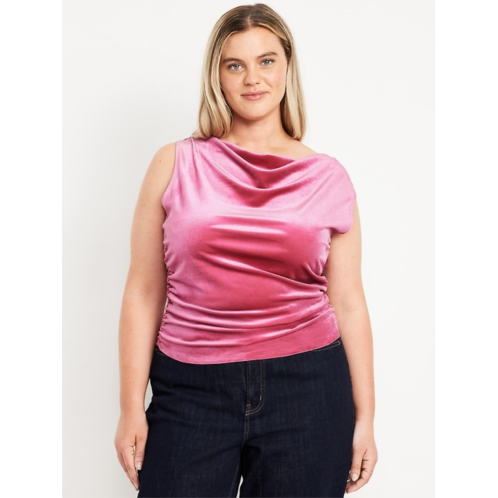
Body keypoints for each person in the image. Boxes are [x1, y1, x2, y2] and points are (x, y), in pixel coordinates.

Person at [114, 3, 378, 497]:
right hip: (189, 388)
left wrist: (366, 417)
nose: (252, 78)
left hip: (308, 387)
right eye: (234, 64)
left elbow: (348, 301)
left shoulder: (328, 177)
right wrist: (131, 407)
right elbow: (145, 291)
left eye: (266, 61)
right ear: (217, 75)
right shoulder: (175, 163)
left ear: (287, 66)